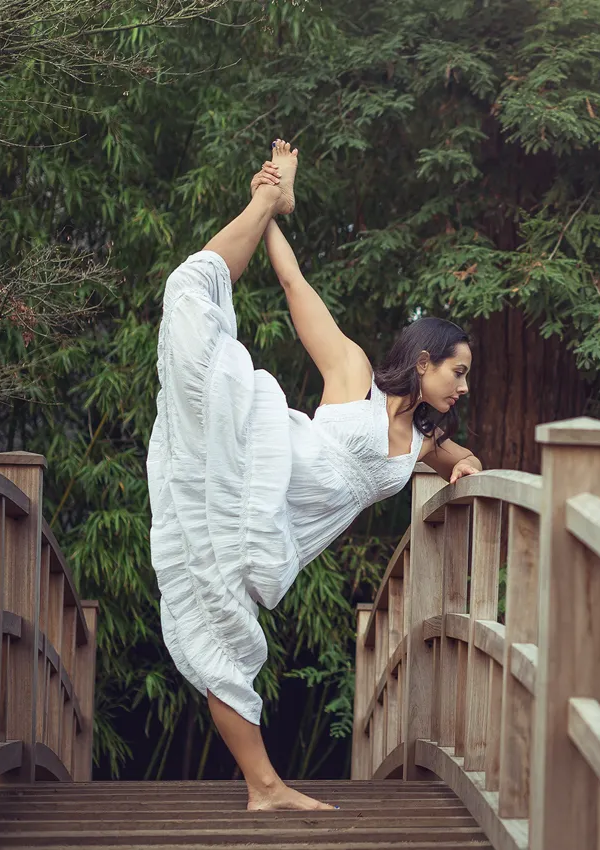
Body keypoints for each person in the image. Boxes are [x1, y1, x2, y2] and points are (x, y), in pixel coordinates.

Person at [146, 140, 482, 810]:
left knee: (225, 632)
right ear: (423, 362)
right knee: (189, 303)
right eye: (458, 371)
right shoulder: (354, 375)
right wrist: (271, 209)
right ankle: (265, 787)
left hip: (276, 533)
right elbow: (296, 286)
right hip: (258, 460)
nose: (464, 387)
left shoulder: (423, 443)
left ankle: (263, 789)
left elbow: (465, 462)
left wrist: (465, 467)